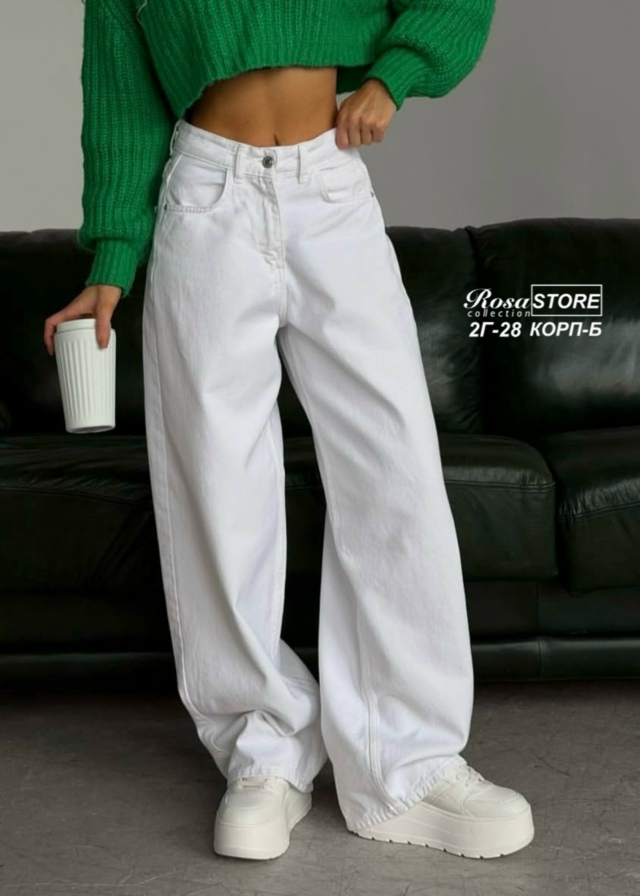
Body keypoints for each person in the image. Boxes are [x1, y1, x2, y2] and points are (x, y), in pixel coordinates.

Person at [44, 0, 535, 863]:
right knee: (217, 485)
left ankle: (410, 763)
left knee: (395, 472)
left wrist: (396, 75)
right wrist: (113, 260)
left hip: (328, 188)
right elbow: (121, 92)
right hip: (204, 197)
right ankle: (262, 748)